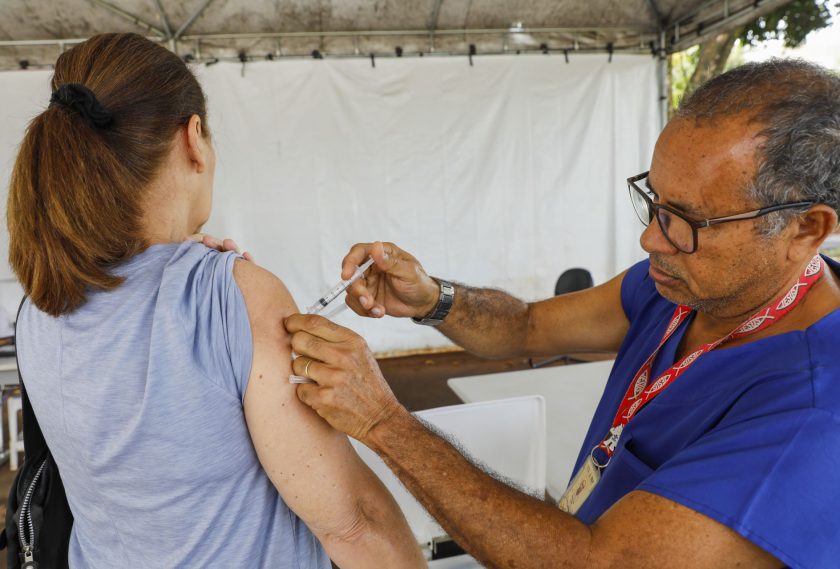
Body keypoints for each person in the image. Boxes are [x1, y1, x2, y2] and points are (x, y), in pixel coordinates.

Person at [284, 59, 840, 569]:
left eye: (687, 220)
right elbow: (528, 326)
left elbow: (595, 564)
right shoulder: (686, 287)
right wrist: (433, 298)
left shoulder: (813, 412)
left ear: (805, 229)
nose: (650, 239)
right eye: (653, 201)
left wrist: (384, 423)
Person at [7, 33, 425, 569]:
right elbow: (353, 525)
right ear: (193, 139)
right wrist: (232, 291)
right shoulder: (236, 296)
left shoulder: (39, 307)